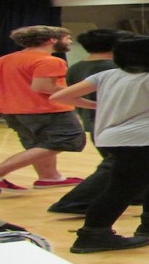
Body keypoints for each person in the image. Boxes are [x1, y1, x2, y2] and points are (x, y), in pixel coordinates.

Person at [50, 35, 149, 253]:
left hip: (116, 138)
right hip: (146, 141)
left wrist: (98, 105)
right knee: (123, 188)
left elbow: (61, 96)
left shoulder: (109, 75)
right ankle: (93, 234)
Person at [0, 26, 86, 190]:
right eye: (67, 38)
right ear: (52, 40)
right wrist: (79, 92)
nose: (70, 41)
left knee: (39, 144)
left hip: (10, 110)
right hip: (46, 109)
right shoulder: (49, 61)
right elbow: (44, 87)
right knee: (67, 140)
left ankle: (49, 177)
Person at [48, 29, 140, 215]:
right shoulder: (113, 68)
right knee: (117, 164)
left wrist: (93, 106)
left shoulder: (77, 67)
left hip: (95, 122)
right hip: (116, 123)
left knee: (137, 162)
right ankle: (73, 202)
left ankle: (141, 193)